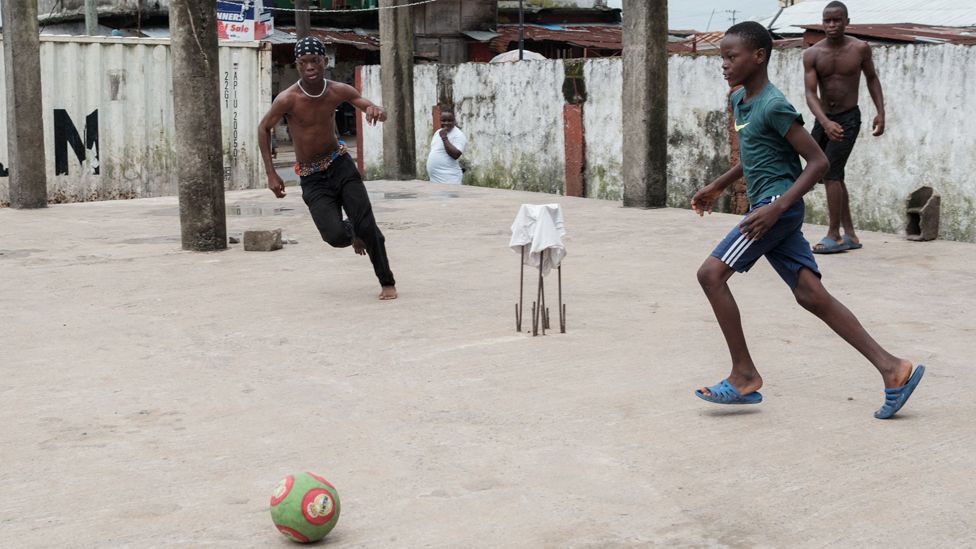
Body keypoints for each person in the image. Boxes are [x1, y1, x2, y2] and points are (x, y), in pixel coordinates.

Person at [690, 22, 923, 419]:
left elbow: (819, 162)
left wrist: (777, 208)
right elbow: (754, 154)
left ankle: (744, 375)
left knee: (711, 275)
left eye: (732, 57)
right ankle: (893, 369)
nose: (724, 65)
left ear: (759, 56)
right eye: (722, 58)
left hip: (775, 205)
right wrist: (717, 186)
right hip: (768, 206)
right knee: (810, 295)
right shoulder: (740, 101)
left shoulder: (775, 105)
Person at [258, 36, 397, 300]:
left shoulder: (337, 90)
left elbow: (369, 106)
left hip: (340, 165)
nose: (310, 66)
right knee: (334, 235)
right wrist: (271, 172)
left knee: (367, 225)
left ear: (325, 61)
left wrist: (377, 110)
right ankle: (355, 232)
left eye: (315, 61)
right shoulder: (288, 99)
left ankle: (387, 281)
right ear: (297, 65)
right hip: (312, 177)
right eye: (304, 63)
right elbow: (263, 128)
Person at [804, 1, 885, 254]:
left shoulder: (860, 48)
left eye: (837, 20)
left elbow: (872, 78)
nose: (831, 25)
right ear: (822, 22)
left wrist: (881, 112)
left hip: (848, 119)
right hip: (824, 119)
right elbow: (809, 92)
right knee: (830, 173)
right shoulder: (812, 53)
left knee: (831, 173)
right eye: (827, 20)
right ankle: (850, 234)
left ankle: (834, 235)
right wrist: (825, 122)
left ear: (847, 21)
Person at [425, 110, 467, 184]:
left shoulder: (459, 135)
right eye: (443, 120)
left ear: (454, 121)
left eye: (449, 120)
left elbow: (456, 155)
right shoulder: (438, 132)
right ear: (440, 121)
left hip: (449, 179)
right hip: (435, 179)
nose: (446, 123)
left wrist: (444, 138)